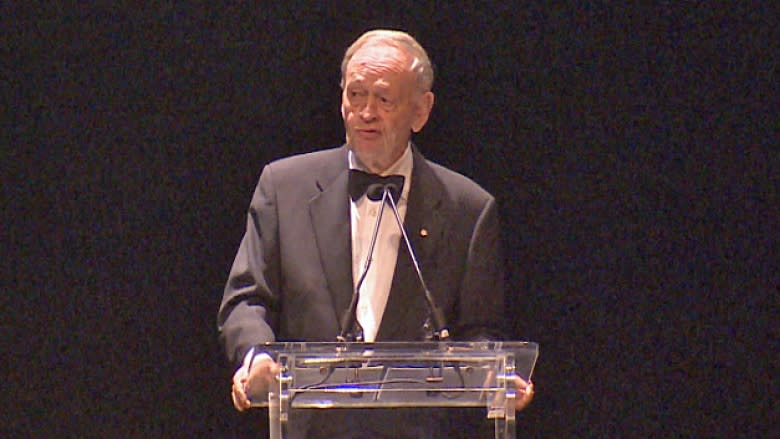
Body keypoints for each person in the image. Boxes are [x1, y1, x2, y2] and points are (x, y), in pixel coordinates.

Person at [218, 29, 533, 438]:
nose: (366, 112)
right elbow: (247, 299)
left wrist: (494, 377)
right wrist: (256, 356)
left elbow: (479, 330)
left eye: (384, 99)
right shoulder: (284, 188)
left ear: (421, 110)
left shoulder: (467, 209)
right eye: (355, 95)